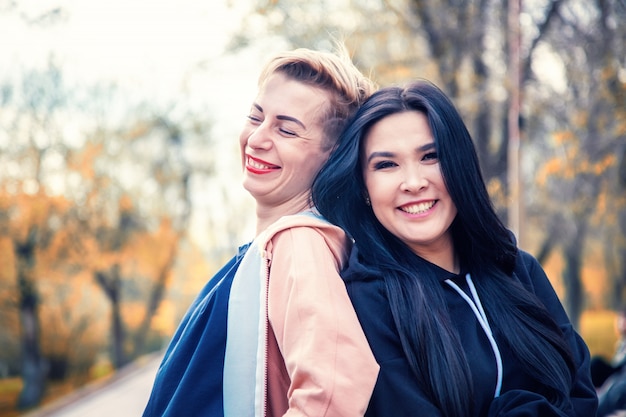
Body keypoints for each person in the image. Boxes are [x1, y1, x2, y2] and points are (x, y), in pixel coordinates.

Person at [312, 80, 598, 416]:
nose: (414, 182)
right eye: (387, 165)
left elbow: (581, 395)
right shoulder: (365, 301)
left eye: (430, 156)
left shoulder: (519, 270)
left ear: (459, 166)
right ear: (363, 186)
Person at [142, 47, 379, 417]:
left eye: (286, 129)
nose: (257, 139)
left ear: (333, 157)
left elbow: (334, 387)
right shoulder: (266, 251)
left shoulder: (299, 243)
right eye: (256, 116)